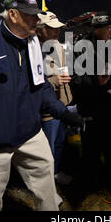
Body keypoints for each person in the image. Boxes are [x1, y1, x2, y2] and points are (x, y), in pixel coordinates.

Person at [0, 0, 82, 211]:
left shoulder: (32, 44)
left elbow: (41, 87)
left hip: (29, 132)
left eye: (37, 15)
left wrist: (62, 112)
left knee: (46, 177)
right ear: (13, 14)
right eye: (31, 16)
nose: (37, 21)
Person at [70, 11, 111, 194]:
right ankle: (91, 182)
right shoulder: (80, 48)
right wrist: (95, 82)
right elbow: (75, 81)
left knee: (110, 143)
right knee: (90, 148)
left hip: (109, 105)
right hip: (89, 106)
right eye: (109, 29)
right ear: (97, 29)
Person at [36, 11, 73, 186]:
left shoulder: (58, 45)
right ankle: (45, 183)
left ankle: (55, 172)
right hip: (47, 110)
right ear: (40, 29)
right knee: (47, 148)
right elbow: (34, 82)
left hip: (63, 103)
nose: (57, 32)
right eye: (52, 29)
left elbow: (63, 69)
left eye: (58, 28)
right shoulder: (33, 48)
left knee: (59, 143)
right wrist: (53, 81)